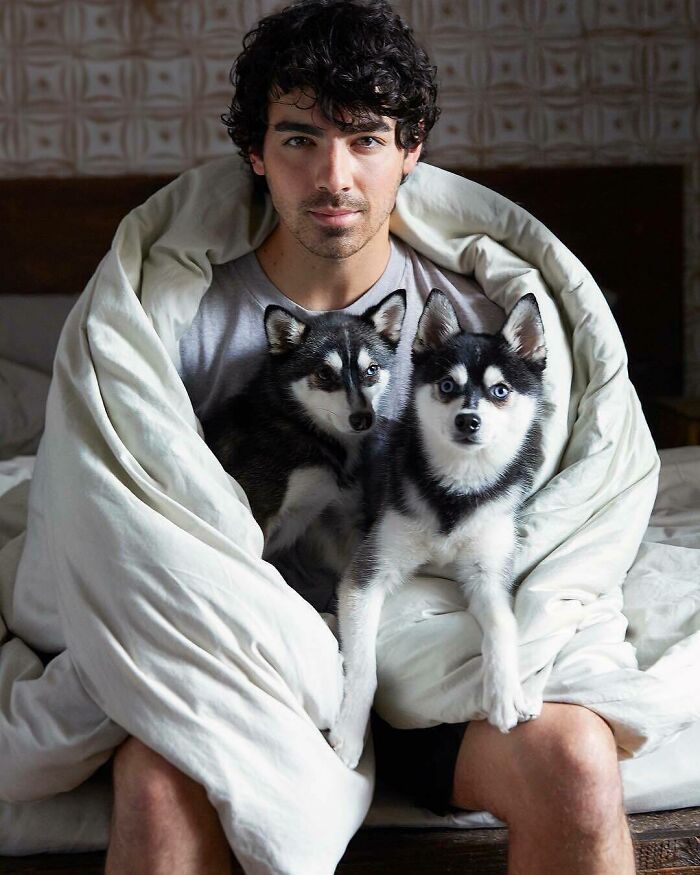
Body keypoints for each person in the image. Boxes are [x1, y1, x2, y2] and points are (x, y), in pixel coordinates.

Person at [105, 2, 636, 873]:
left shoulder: (473, 315)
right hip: (249, 660)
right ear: (255, 153)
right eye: (299, 139)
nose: (334, 175)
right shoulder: (180, 318)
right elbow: (128, 505)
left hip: (433, 642)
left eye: (366, 139)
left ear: (410, 150)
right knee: (158, 784)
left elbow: (574, 493)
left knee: (578, 760)